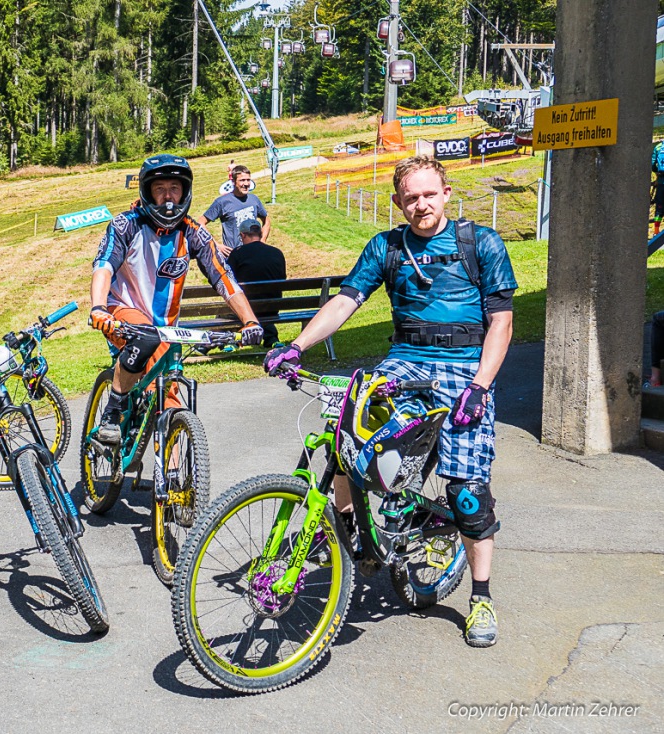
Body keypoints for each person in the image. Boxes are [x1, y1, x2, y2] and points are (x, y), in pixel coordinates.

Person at [263, 155, 517, 649]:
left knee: (467, 494)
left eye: (429, 194)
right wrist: (297, 346)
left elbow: (502, 322)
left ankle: (481, 597)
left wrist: (481, 385)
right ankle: (350, 529)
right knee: (347, 430)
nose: (421, 204)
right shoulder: (387, 247)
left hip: (467, 366)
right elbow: (345, 301)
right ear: (399, 202)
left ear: (445, 193)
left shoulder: (480, 243)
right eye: (411, 197)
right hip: (406, 361)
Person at [89, 154, 264, 445]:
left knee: (166, 393)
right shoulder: (125, 225)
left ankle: (173, 475)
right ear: (147, 192)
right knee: (146, 340)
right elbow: (104, 266)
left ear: (185, 191)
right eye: (159, 189)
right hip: (123, 311)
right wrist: (97, 308)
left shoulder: (193, 232)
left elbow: (225, 279)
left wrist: (250, 321)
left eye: (174, 188)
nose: (168, 197)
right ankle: (113, 409)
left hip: (167, 328)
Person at [227, 219, 287, 347]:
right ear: (260, 233)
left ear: (243, 235)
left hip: (246, 308)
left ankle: (230, 342)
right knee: (260, 306)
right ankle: (271, 338)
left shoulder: (237, 253)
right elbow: (282, 278)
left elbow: (229, 281)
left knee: (230, 308)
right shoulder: (277, 253)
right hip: (272, 307)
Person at [198, 164, 271, 256]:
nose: (246, 184)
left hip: (255, 253)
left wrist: (262, 240)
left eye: (248, 180)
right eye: (242, 180)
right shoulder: (222, 202)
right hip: (234, 256)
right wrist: (216, 245)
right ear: (233, 182)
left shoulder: (254, 199)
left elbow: (266, 220)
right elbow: (201, 222)